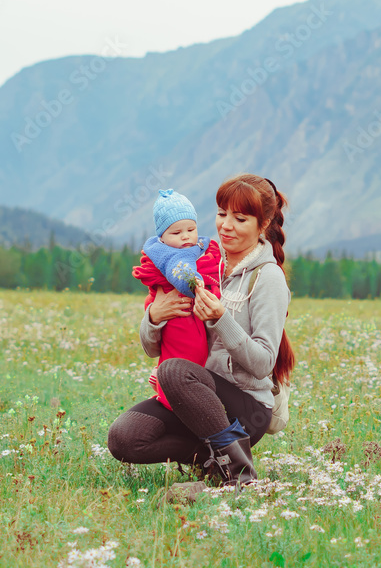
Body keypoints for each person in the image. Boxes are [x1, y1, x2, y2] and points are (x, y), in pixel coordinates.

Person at [107, 174, 294, 488]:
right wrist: (154, 317)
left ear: (262, 225)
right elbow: (152, 348)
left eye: (240, 218)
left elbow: (263, 364)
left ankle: (239, 475)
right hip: (198, 400)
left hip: (247, 410)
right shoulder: (201, 264)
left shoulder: (267, 278)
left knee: (174, 371)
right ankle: (213, 461)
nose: (226, 225)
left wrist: (221, 319)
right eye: (221, 214)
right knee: (125, 438)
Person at [131, 188, 222, 410]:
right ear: (161, 238)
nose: (185, 236)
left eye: (191, 229)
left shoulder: (208, 258)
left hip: (215, 367)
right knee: (181, 357)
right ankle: (170, 384)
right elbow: (181, 275)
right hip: (179, 339)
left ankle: (171, 383)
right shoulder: (167, 263)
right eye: (176, 232)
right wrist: (153, 315)